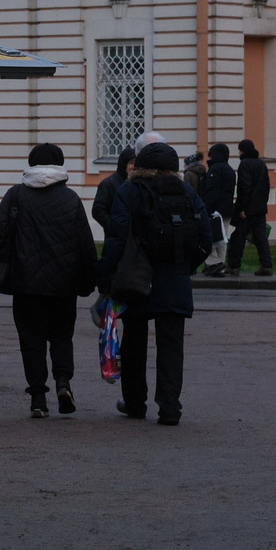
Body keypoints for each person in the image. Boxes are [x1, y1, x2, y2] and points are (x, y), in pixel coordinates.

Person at [97, 142, 213, 426]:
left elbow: (116, 237)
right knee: (171, 345)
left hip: (136, 278)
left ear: (140, 166)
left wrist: (105, 277)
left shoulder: (128, 191)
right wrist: (187, 266)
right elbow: (206, 238)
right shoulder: (187, 192)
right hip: (175, 278)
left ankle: (136, 403)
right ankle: (170, 407)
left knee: (134, 341)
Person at [0, 143, 96, 419]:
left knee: (31, 339)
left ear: (31, 164)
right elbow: (85, 243)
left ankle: (38, 397)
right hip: (64, 285)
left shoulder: (16, 194)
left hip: (25, 283)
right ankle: (63, 382)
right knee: (61, 336)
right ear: (60, 165)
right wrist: (89, 280)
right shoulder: (71, 198)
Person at [228, 140, 274, 277]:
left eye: (239, 150)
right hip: (260, 208)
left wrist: (242, 208)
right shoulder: (261, 164)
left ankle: (234, 266)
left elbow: (244, 187)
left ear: (243, 151)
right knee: (261, 238)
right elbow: (266, 186)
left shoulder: (245, 164)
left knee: (238, 237)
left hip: (247, 209)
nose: (239, 153)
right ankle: (266, 265)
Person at [194, 145, 236, 276]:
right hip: (227, 209)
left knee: (208, 238)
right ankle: (220, 266)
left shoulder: (215, 169)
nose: (209, 157)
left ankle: (214, 263)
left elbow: (212, 192)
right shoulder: (230, 169)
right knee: (221, 239)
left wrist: (207, 209)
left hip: (215, 211)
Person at [91, 145, 134, 239]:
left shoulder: (137, 183)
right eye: (131, 163)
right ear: (124, 164)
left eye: (136, 163)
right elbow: (98, 210)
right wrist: (113, 227)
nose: (133, 167)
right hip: (115, 238)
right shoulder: (108, 184)